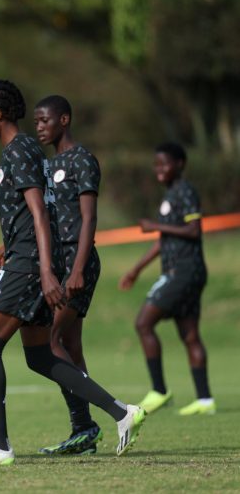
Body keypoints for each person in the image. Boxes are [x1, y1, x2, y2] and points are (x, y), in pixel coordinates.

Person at [0, 80, 144, 465]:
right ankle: (122, 413)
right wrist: (0, 253)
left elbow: (41, 213)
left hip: (29, 264)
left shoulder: (19, 151)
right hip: (24, 258)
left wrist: (43, 271)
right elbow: (29, 216)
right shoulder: (23, 150)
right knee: (40, 355)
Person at [119, 142, 214, 416]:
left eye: (164, 164)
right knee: (190, 334)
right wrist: (137, 269)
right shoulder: (171, 194)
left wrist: (154, 225)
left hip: (183, 271)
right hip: (184, 271)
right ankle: (205, 400)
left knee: (143, 323)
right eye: (156, 164)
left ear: (180, 164)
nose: (159, 169)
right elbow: (165, 241)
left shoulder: (184, 191)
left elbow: (194, 230)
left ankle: (159, 391)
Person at [33, 95, 105, 454]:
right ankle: (83, 432)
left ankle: (87, 424)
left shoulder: (82, 160)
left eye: (45, 120)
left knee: (50, 340)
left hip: (78, 263)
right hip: (59, 262)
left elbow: (89, 218)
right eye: (36, 122)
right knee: (71, 346)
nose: (40, 127)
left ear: (65, 119)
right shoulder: (49, 164)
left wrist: (77, 268)